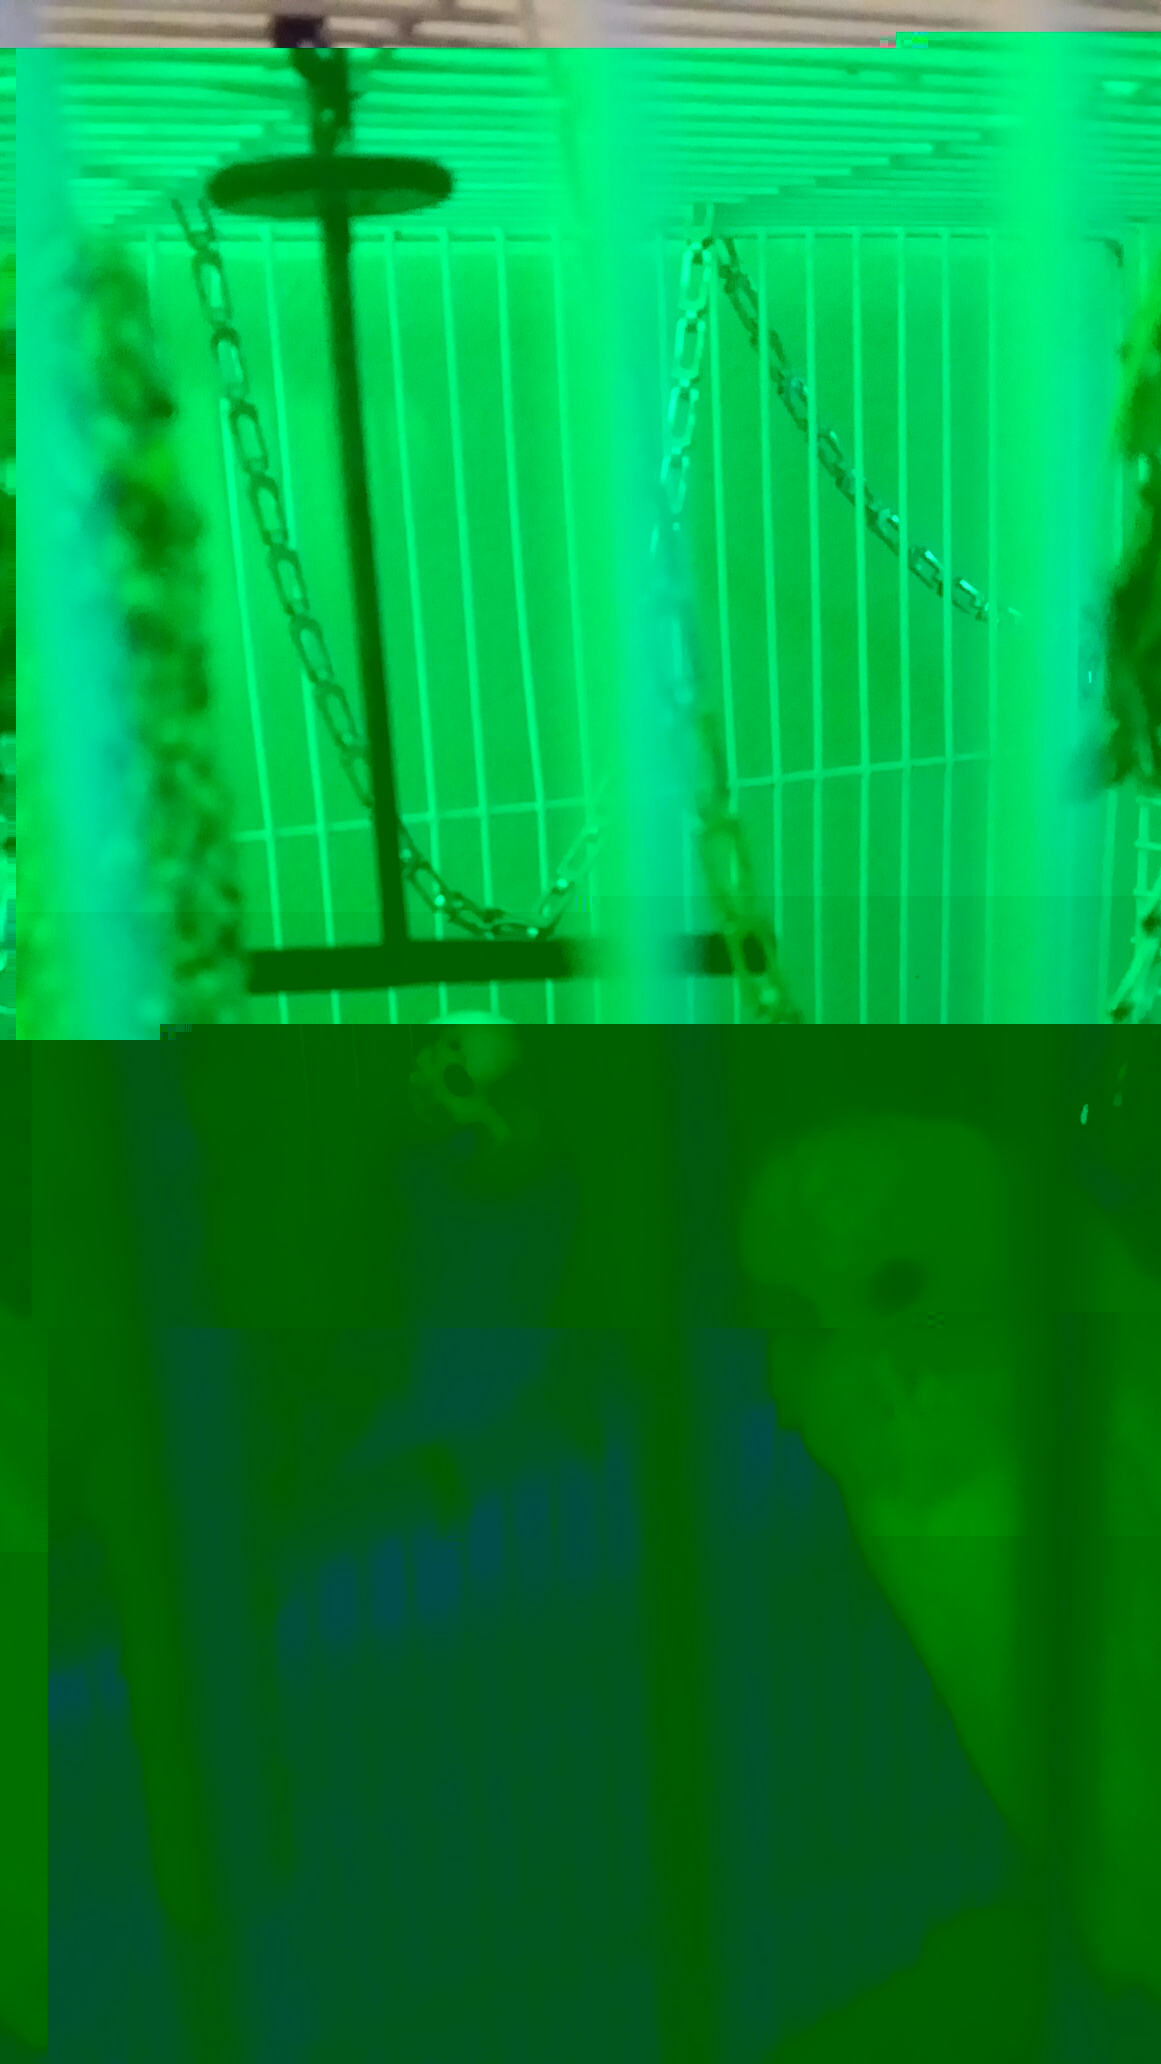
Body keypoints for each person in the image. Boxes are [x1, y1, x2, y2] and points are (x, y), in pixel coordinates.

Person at [739, 1110, 1161, 2055]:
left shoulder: (1099, 1450)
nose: (833, 1354)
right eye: (793, 1315)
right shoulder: (914, 1497)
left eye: (895, 1289)